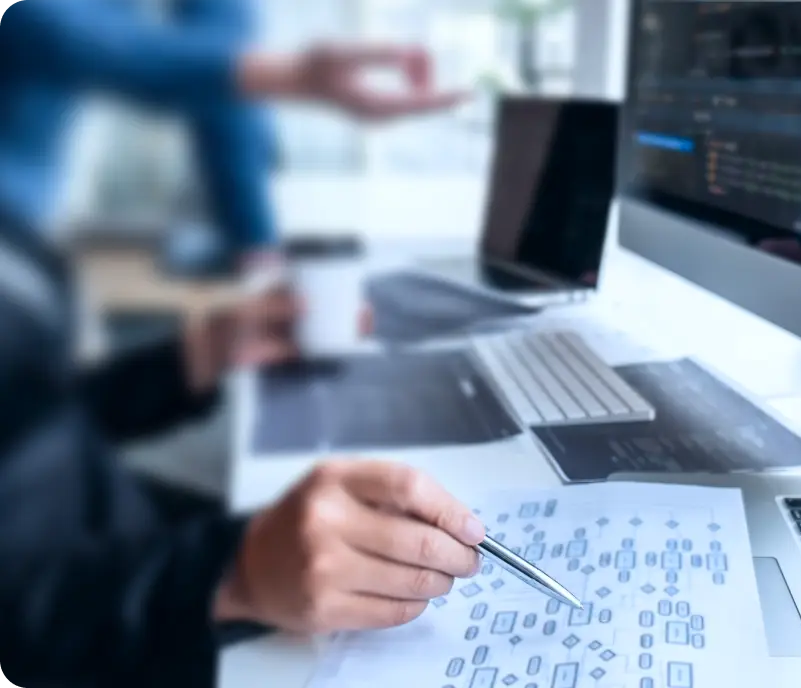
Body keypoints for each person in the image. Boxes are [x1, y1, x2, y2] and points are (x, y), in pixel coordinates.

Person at [0, 211, 487, 687]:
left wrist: (195, 356)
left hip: (124, 532)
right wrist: (230, 576)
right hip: (97, 624)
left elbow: (32, 409)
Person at [0, 0, 463, 267]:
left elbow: (221, 56)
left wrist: (256, 247)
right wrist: (296, 75)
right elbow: (61, 34)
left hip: (27, 233)